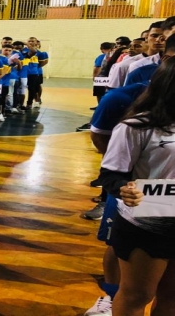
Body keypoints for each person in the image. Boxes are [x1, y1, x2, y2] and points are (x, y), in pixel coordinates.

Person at [99, 57, 175, 316]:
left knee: (172, 297)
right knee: (137, 294)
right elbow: (110, 174)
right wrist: (124, 189)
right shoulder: (138, 125)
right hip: (149, 219)